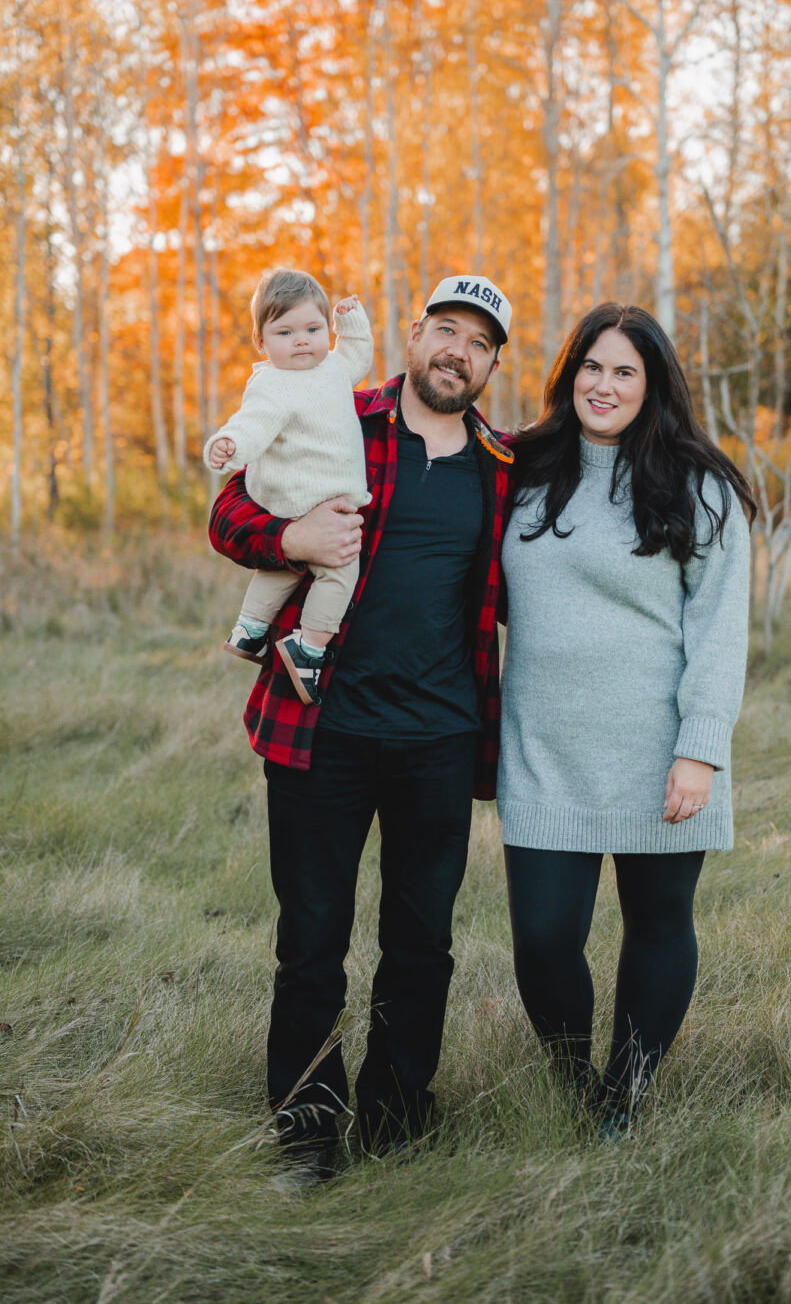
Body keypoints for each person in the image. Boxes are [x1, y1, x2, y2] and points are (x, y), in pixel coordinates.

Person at [208, 274, 515, 1184]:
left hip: (438, 738)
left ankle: (396, 1115)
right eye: (445, 330)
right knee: (311, 942)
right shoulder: (338, 409)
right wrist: (291, 541)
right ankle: (308, 1129)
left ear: (492, 362)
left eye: (480, 342)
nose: (458, 351)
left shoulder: (503, 467)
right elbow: (228, 509)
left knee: (422, 943)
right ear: (413, 335)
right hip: (322, 731)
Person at [496, 302, 755, 1135]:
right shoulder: (519, 467)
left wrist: (700, 751)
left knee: (657, 925)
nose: (603, 386)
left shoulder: (697, 484)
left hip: (659, 752)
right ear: (569, 372)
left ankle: (626, 1092)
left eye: (624, 372)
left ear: (654, 386)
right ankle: (576, 1083)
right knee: (541, 940)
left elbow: (719, 631)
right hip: (543, 748)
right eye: (591, 367)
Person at [203, 270, 373, 703]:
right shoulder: (272, 384)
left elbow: (357, 355)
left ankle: (249, 629)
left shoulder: (332, 368)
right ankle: (309, 646)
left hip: (311, 500)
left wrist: (350, 323)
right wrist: (230, 445)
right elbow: (252, 425)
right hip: (302, 499)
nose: (301, 341)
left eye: (313, 329)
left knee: (279, 567)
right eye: (285, 332)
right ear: (261, 342)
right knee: (340, 570)